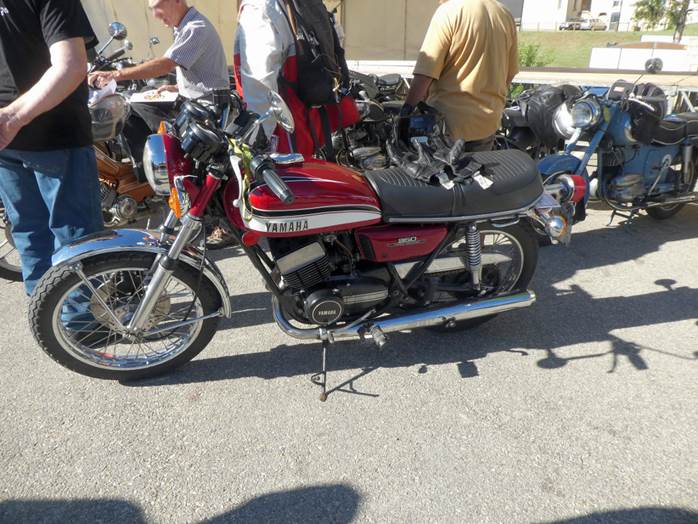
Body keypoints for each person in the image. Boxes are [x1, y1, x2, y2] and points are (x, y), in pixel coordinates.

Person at [0, 0, 104, 296]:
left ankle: (48, 318)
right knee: (75, 241)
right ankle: (73, 321)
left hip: (11, 138)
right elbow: (71, 65)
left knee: (31, 237)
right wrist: (11, 118)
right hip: (53, 135)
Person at [234, 0, 359, 158]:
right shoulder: (300, 5)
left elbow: (260, 85)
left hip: (281, 137)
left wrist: (253, 146)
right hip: (306, 122)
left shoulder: (259, 8)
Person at [89, 0, 229, 132]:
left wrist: (115, 75)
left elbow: (165, 64)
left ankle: (173, 140)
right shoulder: (184, 26)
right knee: (145, 91)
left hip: (206, 107)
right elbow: (200, 71)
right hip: (195, 100)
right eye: (152, 9)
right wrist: (177, 87)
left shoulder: (195, 28)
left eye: (158, 5)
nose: (155, 15)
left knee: (135, 105)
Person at [403, 0, 519, 152]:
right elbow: (509, 74)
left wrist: (405, 114)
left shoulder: (449, 12)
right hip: (487, 124)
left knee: (435, 168)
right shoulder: (504, 14)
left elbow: (425, 74)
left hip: (447, 126)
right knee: (478, 168)